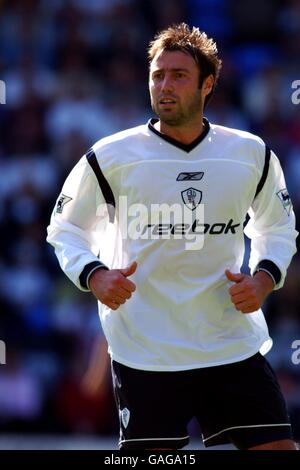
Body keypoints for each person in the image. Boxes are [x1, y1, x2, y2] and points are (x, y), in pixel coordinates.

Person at [47, 23, 298, 450]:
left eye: (179, 76)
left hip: (229, 343)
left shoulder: (250, 153)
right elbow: (64, 228)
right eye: (157, 75)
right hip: (146, 350)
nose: (165, 85)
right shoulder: (109, 156)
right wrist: (94, 276)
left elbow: (277, 227)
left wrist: (264, 278)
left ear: (208, 85)